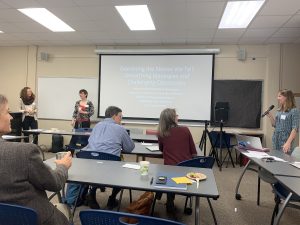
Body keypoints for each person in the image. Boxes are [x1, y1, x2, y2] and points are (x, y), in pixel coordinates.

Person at [0, 94, 72, 225]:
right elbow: (54, 184)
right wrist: (63, 166)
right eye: (7, 112)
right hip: (35, 219)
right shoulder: (23, 152)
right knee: (65, 210)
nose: (11, 117)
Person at [85, 106, 135, 210]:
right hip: (111, 169)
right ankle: (112, 200)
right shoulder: (120, 128)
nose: (121, 119)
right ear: (114, 116)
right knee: (124, 170)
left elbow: (90, 143)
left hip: (91, 167)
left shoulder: (97, 126)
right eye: (120, 116)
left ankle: (92, 192)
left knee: (99, 164)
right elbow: (130, 148)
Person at [156, 108, 197, 213]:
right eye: (176, 115)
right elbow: (194, 152)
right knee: (175, 170)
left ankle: (166, 198)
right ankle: (166, 197)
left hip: (170, 172)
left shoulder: (161, 133)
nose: (177, 117)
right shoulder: (185, 130)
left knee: (168, 170)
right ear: (173, 118)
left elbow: (161, 149)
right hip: (186, 173)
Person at [266, 89, 299, 155]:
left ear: (286, 97)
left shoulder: (294, 111)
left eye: (279, 96)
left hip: (285, 140)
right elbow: (275, 125)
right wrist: (270, 116)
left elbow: (295, 128)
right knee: (276, 159)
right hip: (276, 138)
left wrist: (288, 142)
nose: (277, 98)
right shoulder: (279, 110)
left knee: (285, 160)